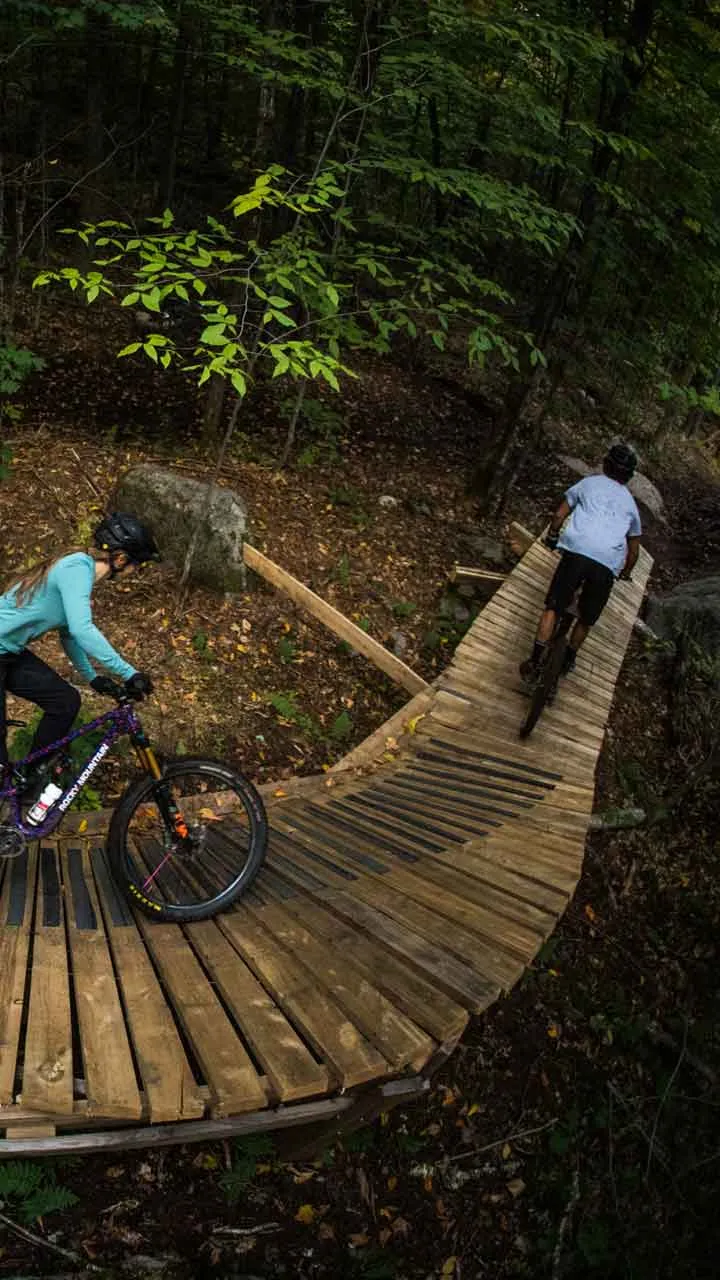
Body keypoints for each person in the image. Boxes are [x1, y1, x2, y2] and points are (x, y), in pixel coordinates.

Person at [0, 513, 159, 800]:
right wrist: (128, 672)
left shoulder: (79, 573)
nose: (136, 572)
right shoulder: (76, 568)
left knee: (65, 701)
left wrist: (93, 677)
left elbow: (70, 636)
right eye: (137, 565)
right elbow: (82, 629)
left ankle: (27, 783)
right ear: (121, 559)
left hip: (8, 653)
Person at [520, 442, 642, 682]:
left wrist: (553, 536)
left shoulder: (588, 483)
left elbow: (558, 515)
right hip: (606, 563)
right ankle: (569, 658)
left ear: (606, 464)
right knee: (586, 618)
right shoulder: (631, 505)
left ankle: (534, 659)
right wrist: (625, 572)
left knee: (554, 607)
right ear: (629, 476)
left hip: (576, 551)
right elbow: (634, 551)